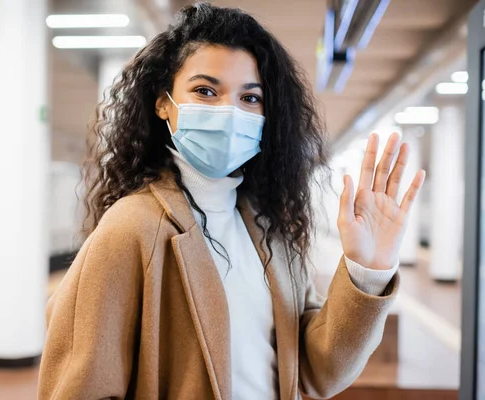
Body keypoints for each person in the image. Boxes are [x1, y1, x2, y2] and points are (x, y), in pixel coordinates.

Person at [38, 3, 425, 399]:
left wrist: (368, 270)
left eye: (250, 98)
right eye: (205, 91)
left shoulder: (269, 230)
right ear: (163, 103)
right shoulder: (131, 228)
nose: (230, 112)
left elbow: (314, 372)